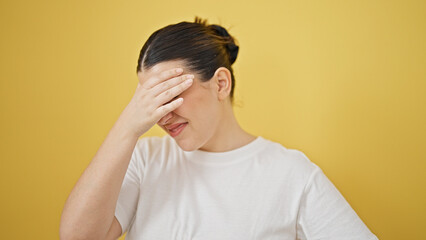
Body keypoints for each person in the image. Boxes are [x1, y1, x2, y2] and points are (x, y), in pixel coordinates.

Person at [59, 16, 379, 240]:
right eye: (148, 100)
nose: (160, 115)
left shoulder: (291, 174)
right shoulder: (144, 159)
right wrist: (126, 127)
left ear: (220, 84)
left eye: (170, 95)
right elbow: (77, 236)